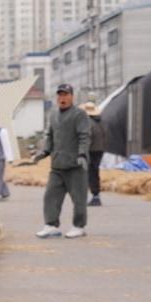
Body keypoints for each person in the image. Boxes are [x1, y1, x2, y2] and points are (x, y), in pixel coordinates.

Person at [28, 84, 91, 239]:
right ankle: (51, 225)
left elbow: (85, 136)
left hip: (75, 164)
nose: (62, 98)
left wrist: (82, 154)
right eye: (60, 95)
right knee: (50, 196)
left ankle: (78, 226)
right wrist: (44, 151)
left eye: (65, 95)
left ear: (71, 97)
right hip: (57, 165)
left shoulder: (79, 114)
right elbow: (50, 136)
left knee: (78, 198)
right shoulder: (53, 114)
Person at [82, 101, 106, 206]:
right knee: (95, 172)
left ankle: (95, 196)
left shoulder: (88, 123)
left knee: (91, 173)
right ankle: (96, 195)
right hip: (100, 150)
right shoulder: (100, 122)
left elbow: (87, 138)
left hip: (91, 151)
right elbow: (105, 135)